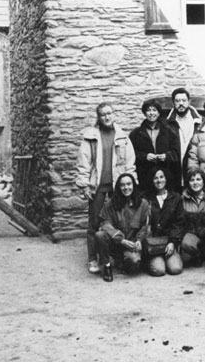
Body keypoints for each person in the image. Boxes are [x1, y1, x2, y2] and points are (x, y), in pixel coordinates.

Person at [75, 102, 136, 275]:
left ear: (114, 114)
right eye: (103, 114)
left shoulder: (122, 137)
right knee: (94, 222)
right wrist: (84, 184)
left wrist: (130, 183)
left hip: (118, 186)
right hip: (98, 186)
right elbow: (83, 162)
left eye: (109, 113)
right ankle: (93, 259)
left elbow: (129, 163)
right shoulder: (91, 137)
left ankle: (116, 257)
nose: (107, 117)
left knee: (120, 220)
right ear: (99, 117)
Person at [95, 174, 150, 281]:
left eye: (129, 184)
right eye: (122, 185)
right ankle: (107, 266)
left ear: (133, 185)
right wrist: (120, 239)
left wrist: (139, 240)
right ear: (118, 188)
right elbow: (105, 223)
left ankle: (122, 264)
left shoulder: (143, 203)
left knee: (134, 261)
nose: (126, 188)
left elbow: (145, 225)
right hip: (115, 242)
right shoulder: (111, 204)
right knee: (99, 235)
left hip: (131, 243)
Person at [129, 99, 179, 196]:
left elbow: (176, 152)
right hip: (145, 175)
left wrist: (166, 156)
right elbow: (131, 154)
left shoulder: (168, 132)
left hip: (165, 174)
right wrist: (145, 156)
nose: (151, 113)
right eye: (148, 110)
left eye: (154, 110)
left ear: (159, 113)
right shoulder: (136, 133)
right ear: (144, 113)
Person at [145, 168, 184, 277]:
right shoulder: (147, 198)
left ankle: (171, 256)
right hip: (153, 243)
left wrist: (173, 242)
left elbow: (179, 222)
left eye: (161, 177)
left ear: (166, 179)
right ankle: (151, 260)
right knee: (159, 270)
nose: (159, 180)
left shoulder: (176, 198)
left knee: (175, 268)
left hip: (169, 241)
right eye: (155, 178)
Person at [165, 87, 202, 190]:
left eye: (183, 100)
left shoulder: (199, 123)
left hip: (194, 175)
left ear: (189, 102)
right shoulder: (167, 124)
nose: (181, 103)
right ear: (173, 102)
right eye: (177, 101)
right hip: (174, 174)